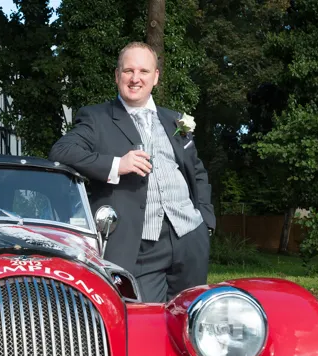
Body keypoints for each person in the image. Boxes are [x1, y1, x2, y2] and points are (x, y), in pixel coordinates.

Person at [48, 41, 215, 303]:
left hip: (189, 238)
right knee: (144, 321)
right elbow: (62, 151)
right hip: (139, 244)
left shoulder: (175, 120)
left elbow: (197, 172)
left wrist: (205, 221)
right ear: (117, 76)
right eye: (128, 71)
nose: (135, 78)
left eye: (143, 71)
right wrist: (117, 165)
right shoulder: (97, 118)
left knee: (190, 319)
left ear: (156, 77)